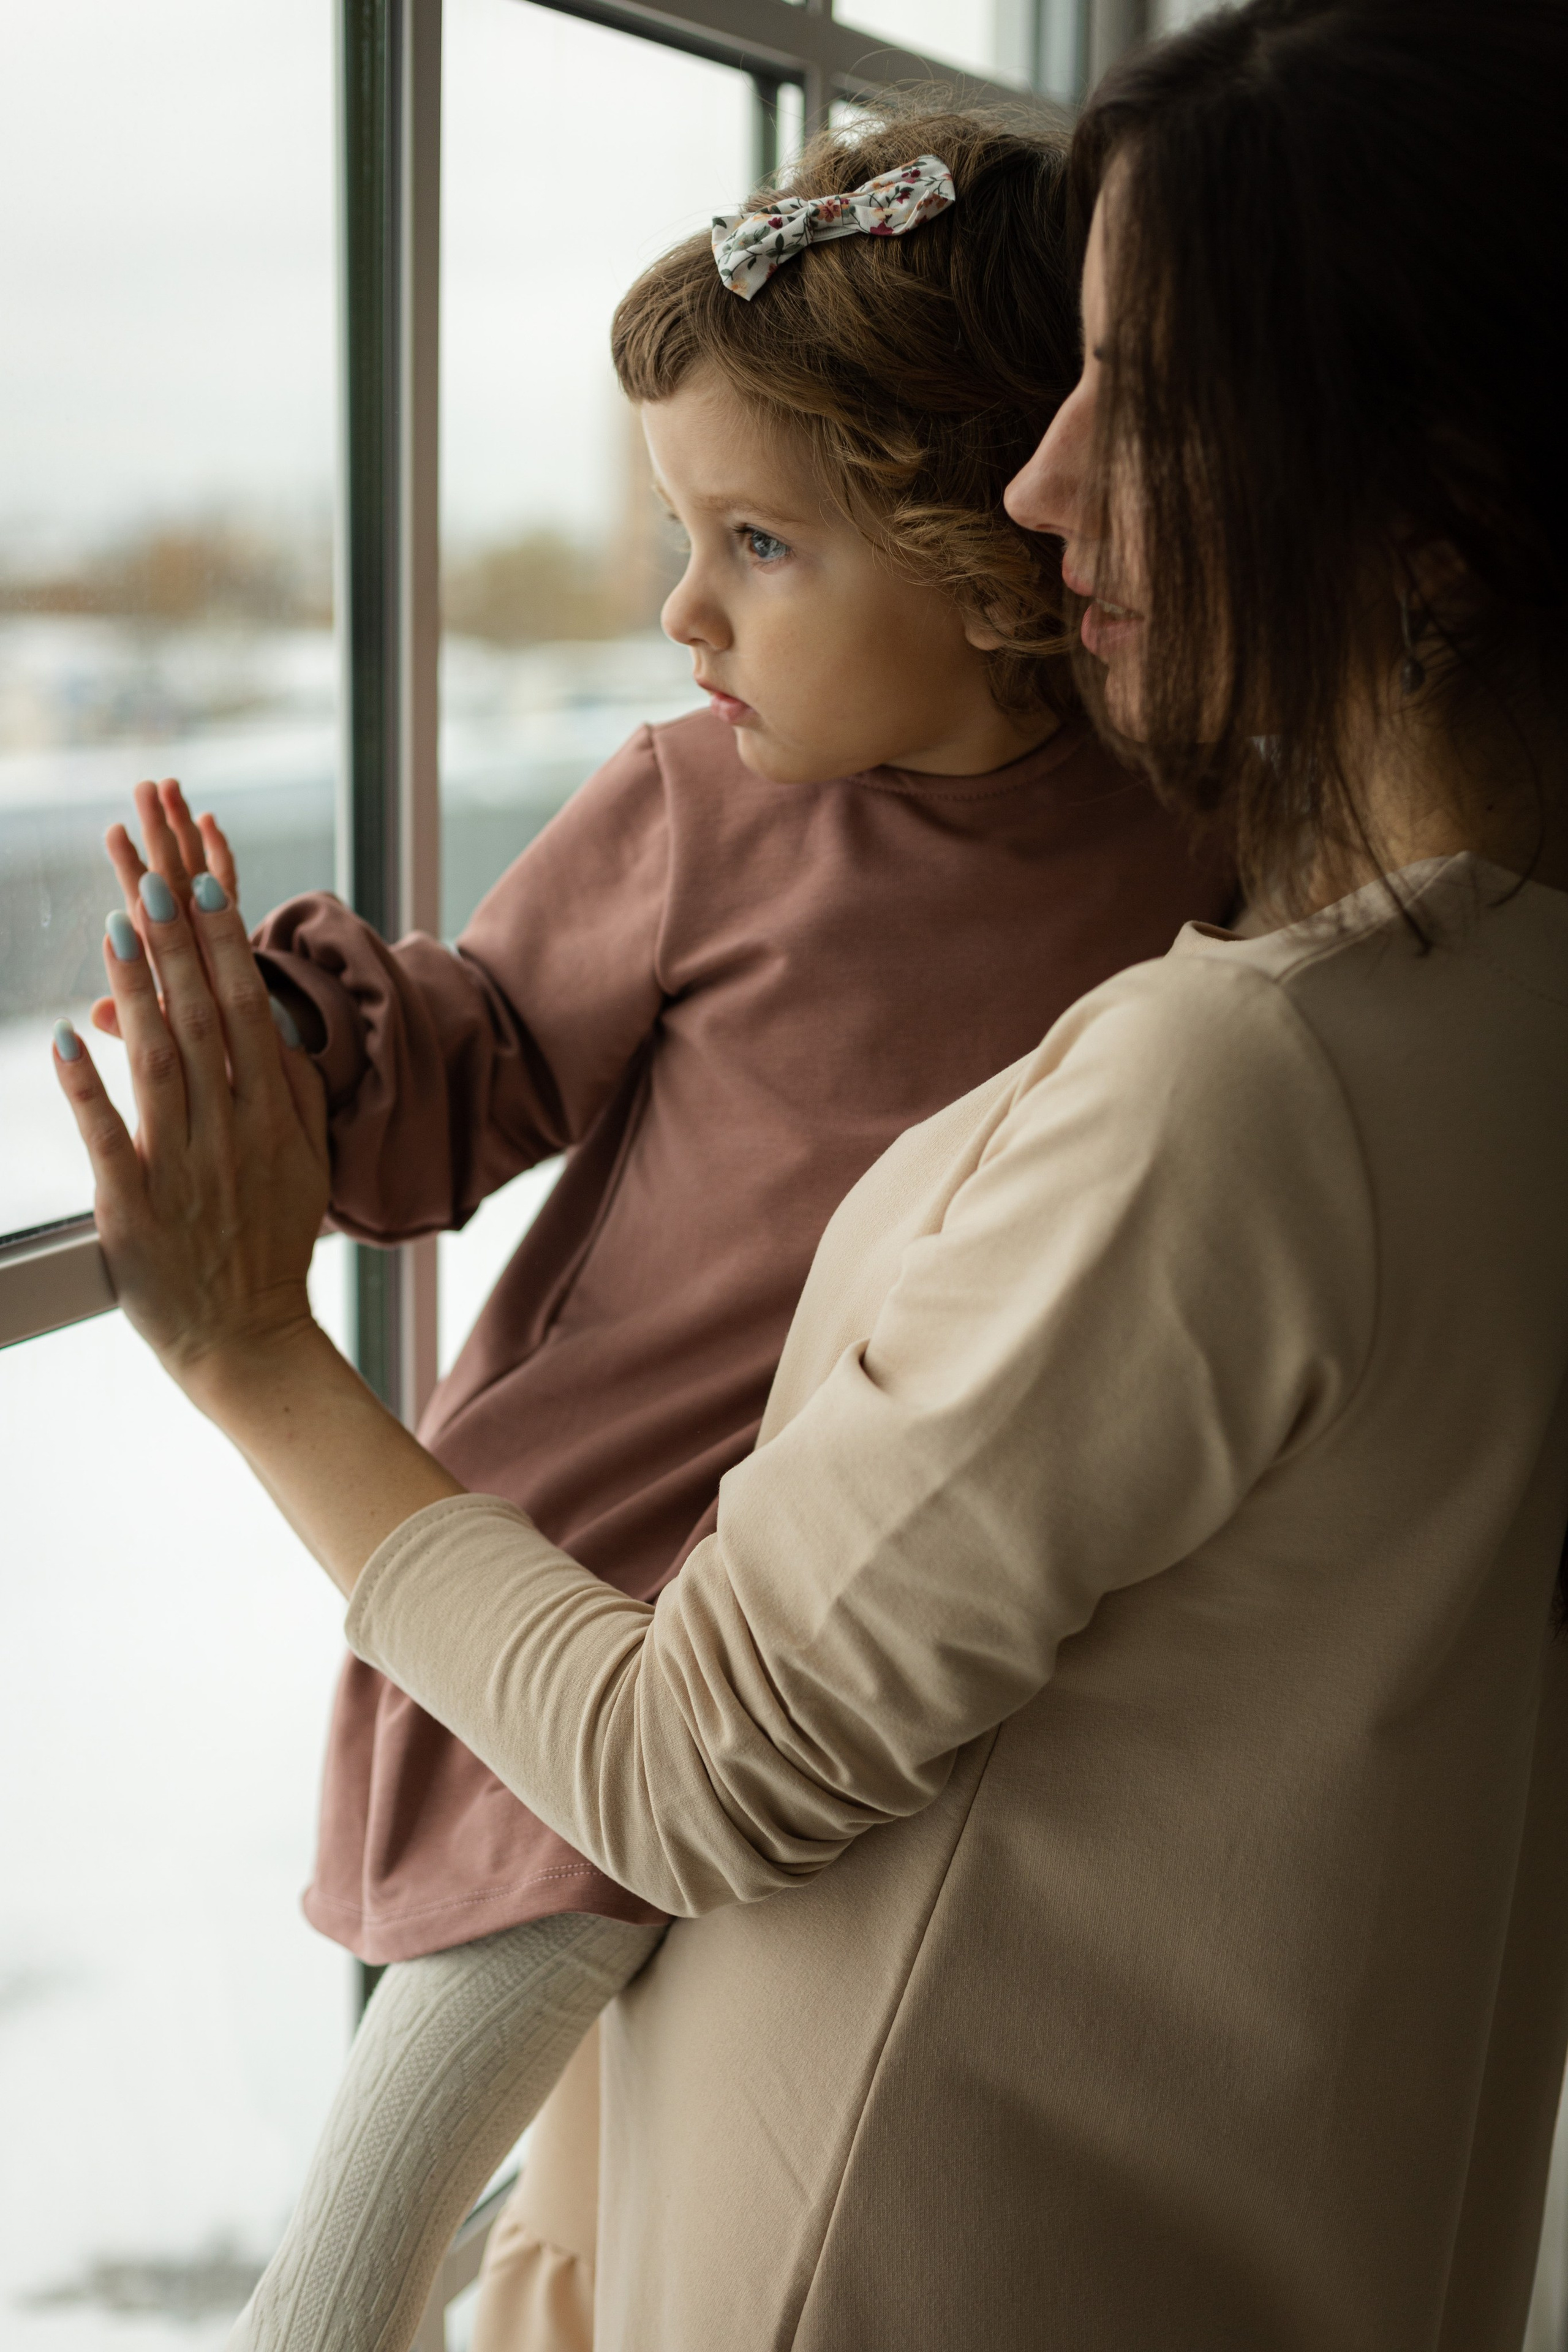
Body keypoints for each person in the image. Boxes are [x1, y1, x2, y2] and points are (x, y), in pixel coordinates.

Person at [57, 1, 1568, 2343]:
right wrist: (300, 1046)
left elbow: (696, 1763)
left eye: (1141, 405)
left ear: (1431, 497)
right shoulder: (1467, 995)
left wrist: (255, 1357)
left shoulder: (1235, 1048)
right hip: (1086, 2119)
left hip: (863, 2191)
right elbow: (469, 1052)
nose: (1053, 488)